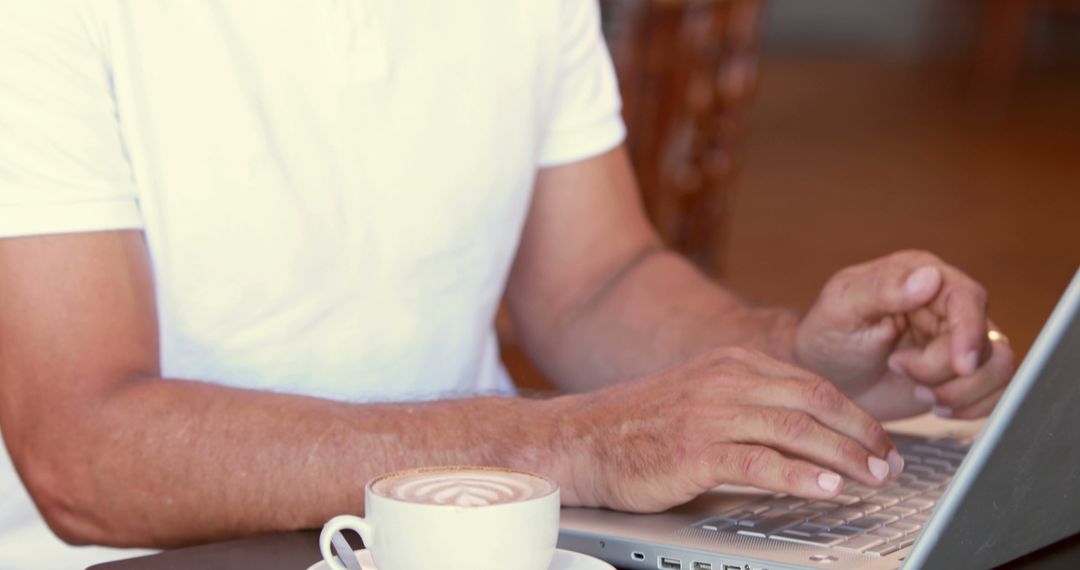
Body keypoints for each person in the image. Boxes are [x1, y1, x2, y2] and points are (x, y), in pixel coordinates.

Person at [0, 1, 1014, 568]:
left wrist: (797, 367)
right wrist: (571, 444)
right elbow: (85, 454)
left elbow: (592, 281)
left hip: (487, 541)